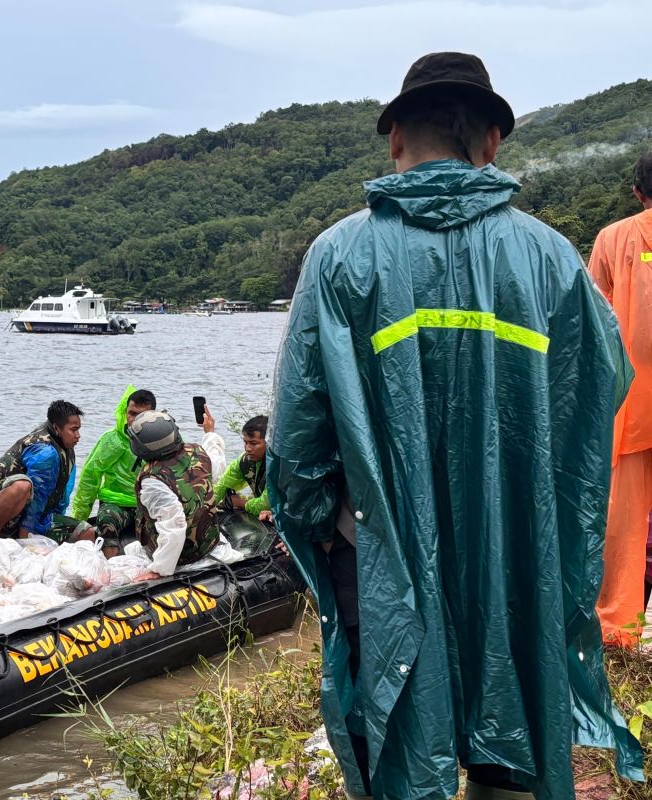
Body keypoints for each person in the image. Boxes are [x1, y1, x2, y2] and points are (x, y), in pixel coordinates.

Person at [266, 52, 641, 800]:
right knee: (510, 720)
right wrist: (550, 524)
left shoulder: (342, 254)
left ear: (396, 138)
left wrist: (318, 523)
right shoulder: (548, 258)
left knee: (397, 724)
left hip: (377, 548)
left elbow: (299, 426)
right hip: (516, 543)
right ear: (493, 142)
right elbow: (595, 398)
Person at [588, 151, 652, 642]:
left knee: (624, 524)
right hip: (629, 405)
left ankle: (618, 631)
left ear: (636, 191)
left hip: (628, 405)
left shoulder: (613, 238)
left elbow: (593, 326)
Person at [128, 406, 233, 580]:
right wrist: (210, 433)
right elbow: (217, 462)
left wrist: (159, 569)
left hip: (184, 557)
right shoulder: (198, 452)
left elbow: (174, 526)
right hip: (208, 545)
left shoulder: (153, 480)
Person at [0, 400, 94, 543]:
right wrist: (26, 538)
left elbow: (63, 491)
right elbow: (38, 495)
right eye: (73, 430)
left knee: (87, 533)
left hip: (39, 516)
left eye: (79, 429)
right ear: (56, 428)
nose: (78, 435)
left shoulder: (66, 446)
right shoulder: (45, 451)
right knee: (22, 486)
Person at [70, 387, 156, 557]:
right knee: (107, 523)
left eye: (141, 416)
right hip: (116, 503)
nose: (133, 420)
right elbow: (90, 476)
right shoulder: (112, 440)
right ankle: (113, 569)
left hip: (147, 503)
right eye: (131, 413)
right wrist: (79, 519)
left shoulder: (162, 438)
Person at [212, 415, 271, 524]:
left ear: (269, 442)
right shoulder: (244, 461)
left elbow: (266, 504)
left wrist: (240, 503)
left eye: (254, 443)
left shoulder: (280, 466)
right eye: (245, 442)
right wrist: (205, 506)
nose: (248, 448)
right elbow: (221, 487)